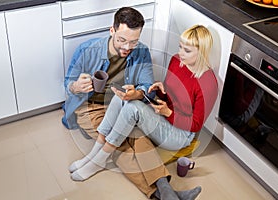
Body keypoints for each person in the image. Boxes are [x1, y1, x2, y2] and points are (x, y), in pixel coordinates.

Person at [69, 25, 218, 200]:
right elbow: (171, 94)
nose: (180, 53)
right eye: (180, 47)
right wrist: (160, 90)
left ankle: (99, 159)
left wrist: (168, 112)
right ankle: (95, 156)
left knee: (132, 108)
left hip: (181, 133)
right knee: (122, 97)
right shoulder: (177, 61)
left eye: (187, 50)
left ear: (202, 53)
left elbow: (196, 124)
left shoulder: (208, 82)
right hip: (164, 117)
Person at [62, 7, 154, 139]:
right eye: (122, 40)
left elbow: (149, 87)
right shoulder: (86, 50)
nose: (127, 48)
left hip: (122, 104)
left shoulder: (142, 51)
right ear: (112, 31)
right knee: (114, 139)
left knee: (141, 136)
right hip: (91, 105)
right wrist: (76, 86)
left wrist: (138, 93)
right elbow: (68, 84)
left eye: (133, 42)